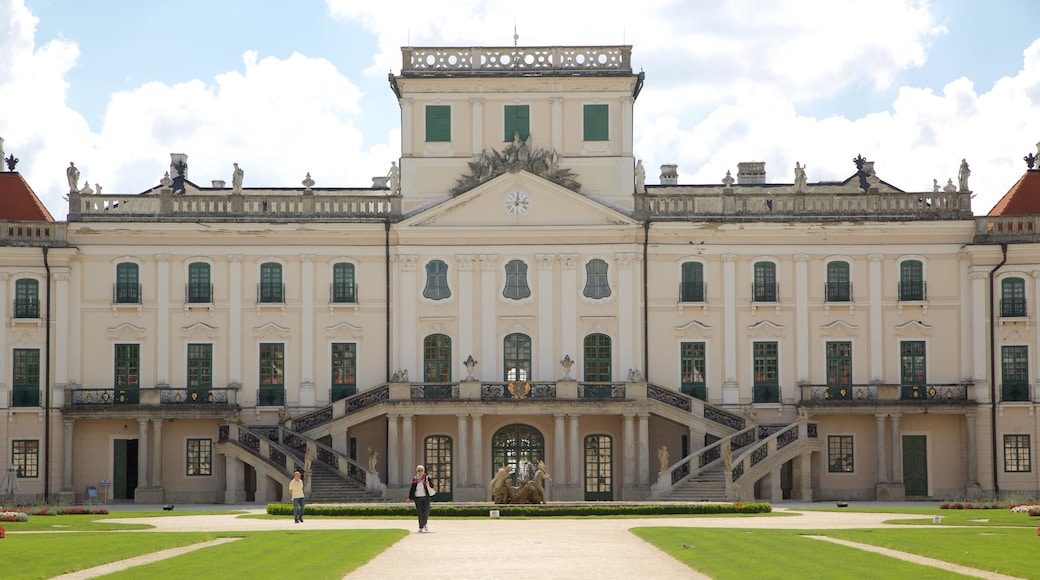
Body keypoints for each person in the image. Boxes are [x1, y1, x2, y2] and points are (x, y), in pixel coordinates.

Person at [406, 464, 436, 533]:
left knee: (426, 511)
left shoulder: (427, 478)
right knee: (420, 513)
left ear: (423, 471)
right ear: (417, 471)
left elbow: (432, 486)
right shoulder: (415, 479)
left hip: (426, 497)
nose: (420, 472)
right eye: (419, 470)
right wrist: (409, 497)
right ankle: (421, 526)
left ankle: (424, 523)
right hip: (417, 497)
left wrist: (428, 484)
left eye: (421, 470)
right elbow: (412, 489)